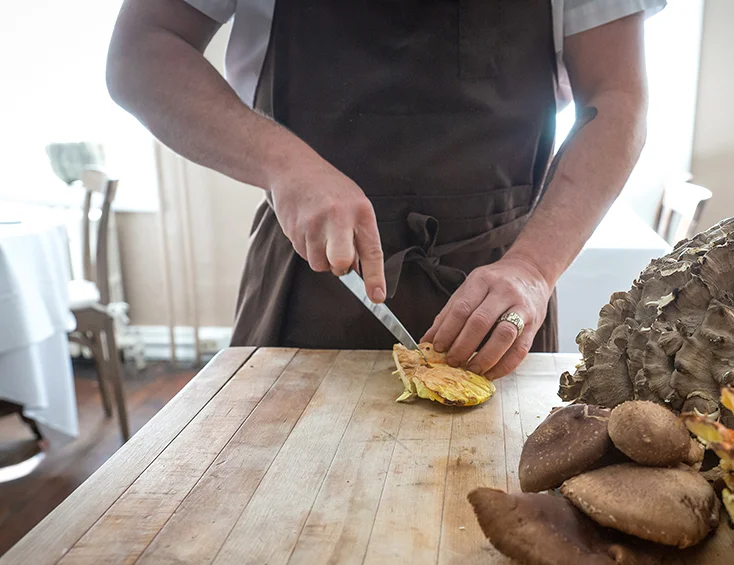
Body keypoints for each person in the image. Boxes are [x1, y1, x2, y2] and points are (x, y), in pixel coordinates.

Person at [107, 0, 656, 379]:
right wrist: (283, 164)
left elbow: (616, 99)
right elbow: (142, 51)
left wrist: (534, 269)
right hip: (309, 280)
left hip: (501, 291)